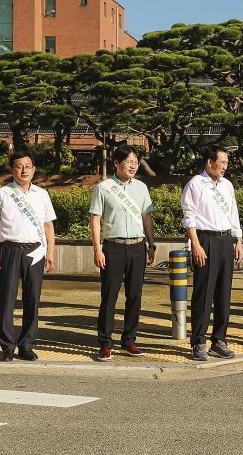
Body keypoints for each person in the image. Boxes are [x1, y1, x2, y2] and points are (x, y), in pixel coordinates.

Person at [0, 151, 56, 362]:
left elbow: (48, 226)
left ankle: (26, 345)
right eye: (19, 166)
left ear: (33, 169)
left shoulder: (42, 194)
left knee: (32, 299)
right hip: (9, 250)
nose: (24, 170)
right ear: (12, 169)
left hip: (36, 251)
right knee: (6, 299)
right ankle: (7, 346)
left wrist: (51, 252)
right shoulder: (2, 193)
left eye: (27, 166)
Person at [89, 145, 157, 362]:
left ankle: (129, 340)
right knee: (109, 296)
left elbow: (146, 217)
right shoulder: (103, 188)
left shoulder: (141, 188)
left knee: (134, 296)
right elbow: (95, 219)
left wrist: (151, 244)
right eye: (129, 162)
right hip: (113, 247)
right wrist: (98, 249)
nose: (133, 166)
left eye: (136, 162)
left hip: (137, 247)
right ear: (117, 163)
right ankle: (105, 343)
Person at [181, 145, 243, 361]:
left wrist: (238, 240)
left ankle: (219, 340)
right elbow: (189, 216)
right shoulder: (196, 184)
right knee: (204, 293)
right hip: (205, 239)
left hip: (226, 239)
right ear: (209, 162)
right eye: (222, 162)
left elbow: (233, 213)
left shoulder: (227, 185)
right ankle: (198, 341)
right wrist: (195, 244)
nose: (225, 167)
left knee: (224, 293)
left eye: (227, 163)